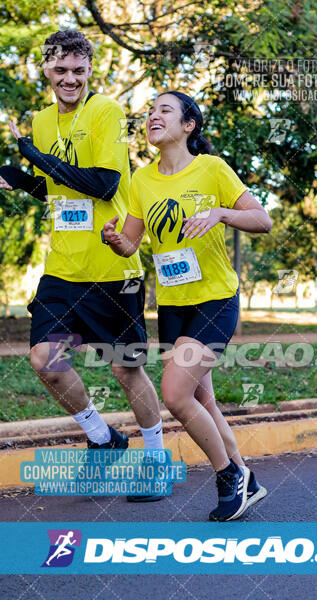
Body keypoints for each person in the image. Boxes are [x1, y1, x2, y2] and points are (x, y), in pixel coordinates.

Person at [0, 30, 164, 501]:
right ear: (47, 70)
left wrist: (35, 156)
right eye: (60, 69)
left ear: (91, 70)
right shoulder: (42, 120)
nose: (70, 78)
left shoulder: (105, 112)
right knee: (46, 361)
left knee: (126, 370)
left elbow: (103, 182)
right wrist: (22, 179)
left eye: (79, 70)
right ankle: (102, 438)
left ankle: (153, 460)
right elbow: (57, 189)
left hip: (112, 266)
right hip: (63, 268)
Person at [102, 90, 272, 520]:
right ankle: (246, 478)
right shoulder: (141, 180)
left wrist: (220, 213)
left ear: (188, 126)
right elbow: (132, 244)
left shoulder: (211, 168)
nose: (153, 116)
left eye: (165, 110)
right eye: (150, 111)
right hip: (174, 306)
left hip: (215, 299)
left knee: (176, 394)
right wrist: (117, 240)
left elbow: (262, 219)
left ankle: (228, 475)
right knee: (203, 400)